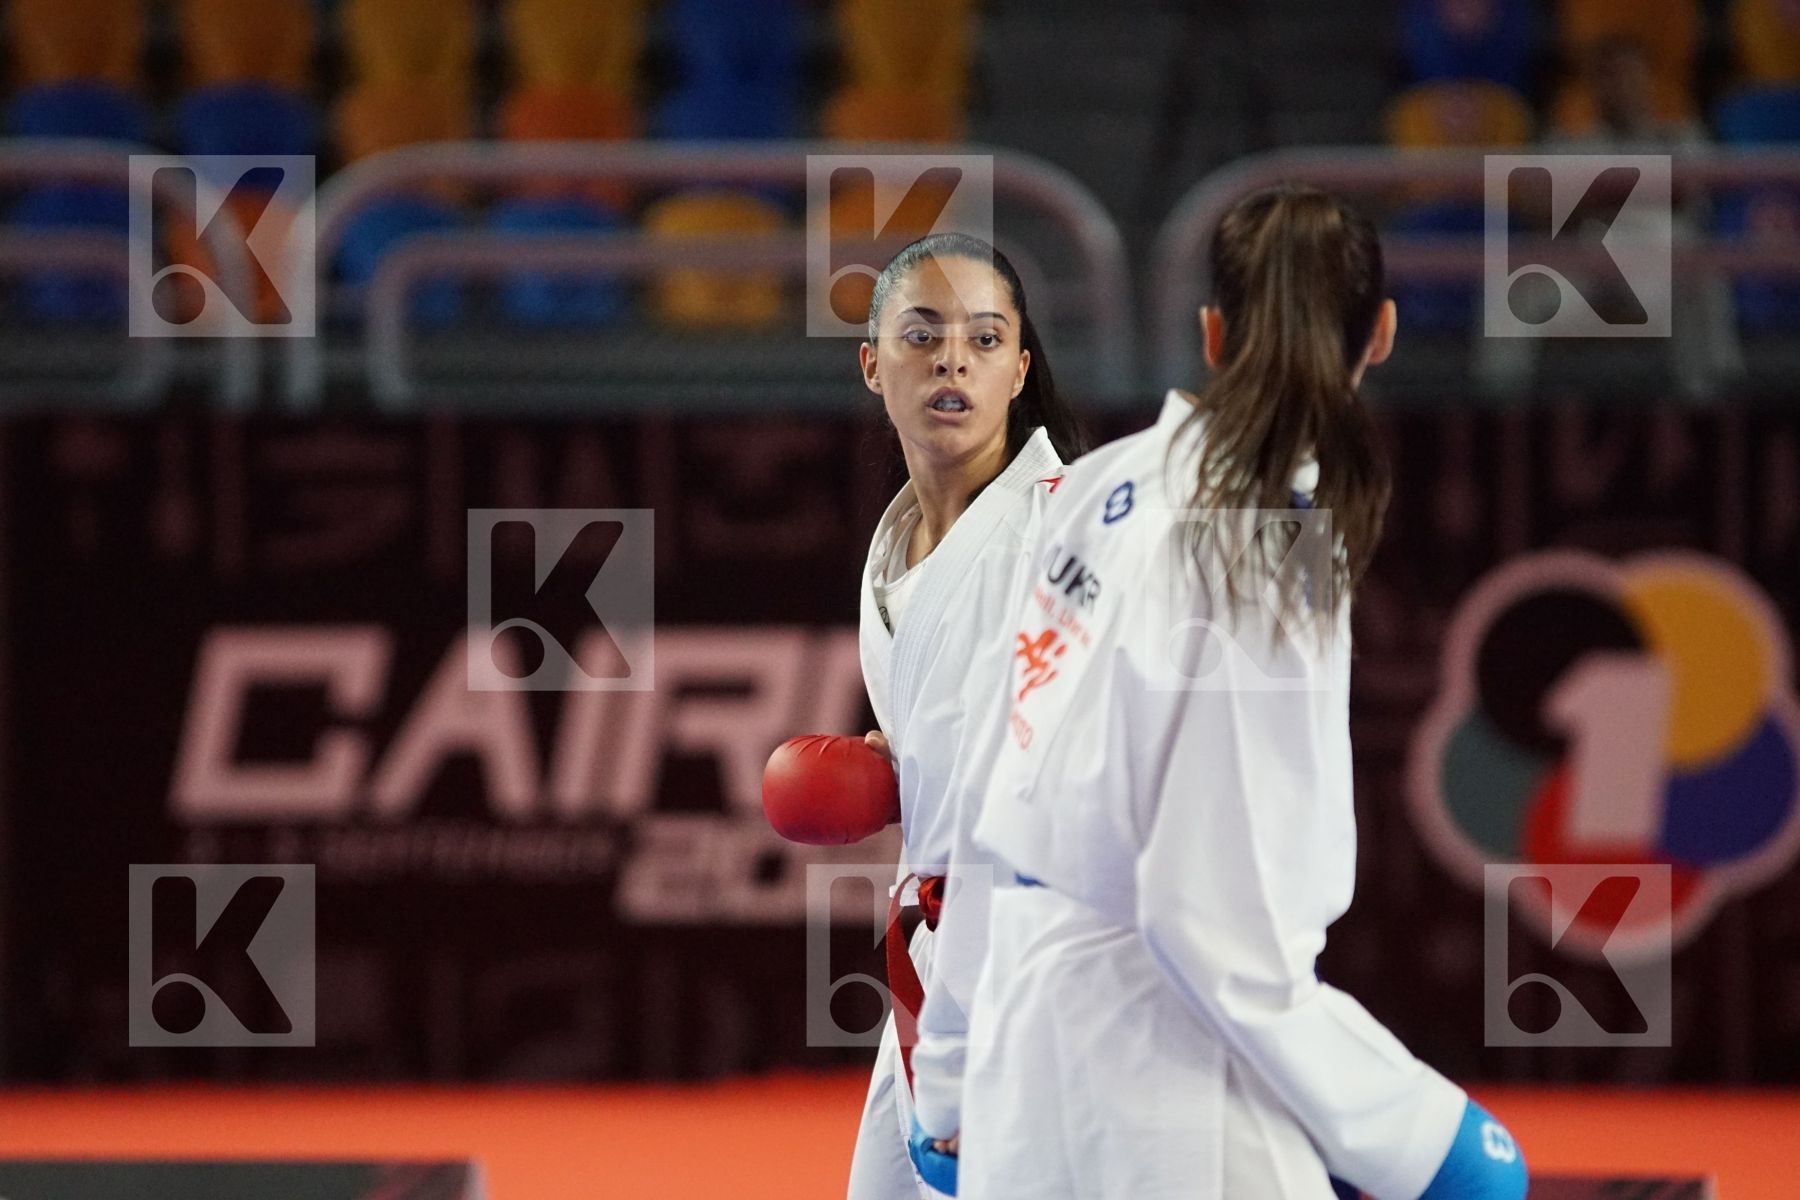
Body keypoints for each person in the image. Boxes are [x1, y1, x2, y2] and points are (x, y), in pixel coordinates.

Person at [916, 186, 1529, 1199]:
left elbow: (981, 797)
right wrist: (1414, 1132)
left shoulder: (1088, 493)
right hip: (1174, 1077)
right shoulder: (1269, 541)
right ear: (1381, 333)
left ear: (1210, 332)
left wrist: (949, 1075)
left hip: (1025, 1057)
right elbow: (1212, 921)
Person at [845, 232, 1085, 1200]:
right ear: (873, 365)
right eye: (923, 335)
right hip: (930, 957)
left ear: (1019, 370)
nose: (953, 360)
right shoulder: (894, 541)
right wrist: (903, 765)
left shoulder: (1068, 532)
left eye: (985, 340)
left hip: (1033, 955)